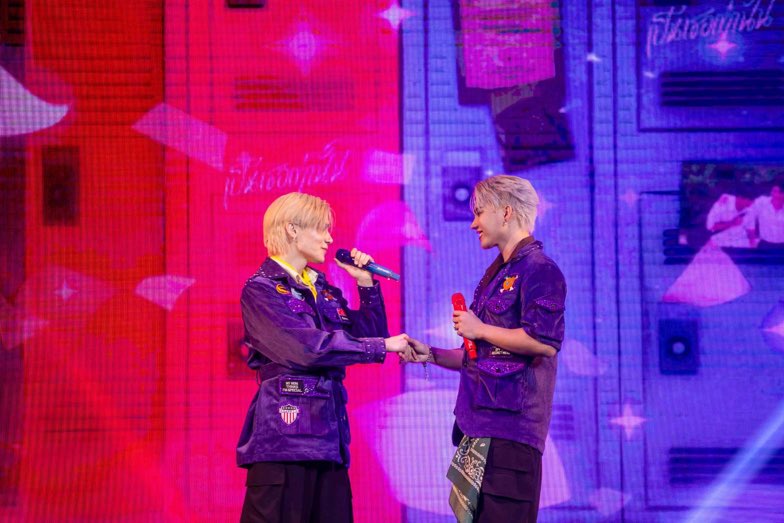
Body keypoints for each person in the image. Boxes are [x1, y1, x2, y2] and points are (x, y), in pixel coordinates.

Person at [236, 192, 409, 523]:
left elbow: (368, 335)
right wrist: (382, 346)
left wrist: (366, 283)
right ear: (292, 229)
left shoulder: (323, 288)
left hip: (329, 441)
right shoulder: (261, 289)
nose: (329, 238)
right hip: (284, 443)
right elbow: (307, 349)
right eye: (321, 229)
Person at [404, 175, 566, 523]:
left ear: (505, 212)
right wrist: (429, 353)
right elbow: (480, 355)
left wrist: (480, 328)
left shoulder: (540, 270)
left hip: (511, 433)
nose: (473, 223)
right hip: (481, 428)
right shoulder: (498, 274)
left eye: (479, 213)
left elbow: (544, 342)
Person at [743, 183, 784, 249]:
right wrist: (752, 239)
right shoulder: (761, 202)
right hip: (765, 245)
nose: (773, 194)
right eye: (773, 191)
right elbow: (749, 218)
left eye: (778, 192)